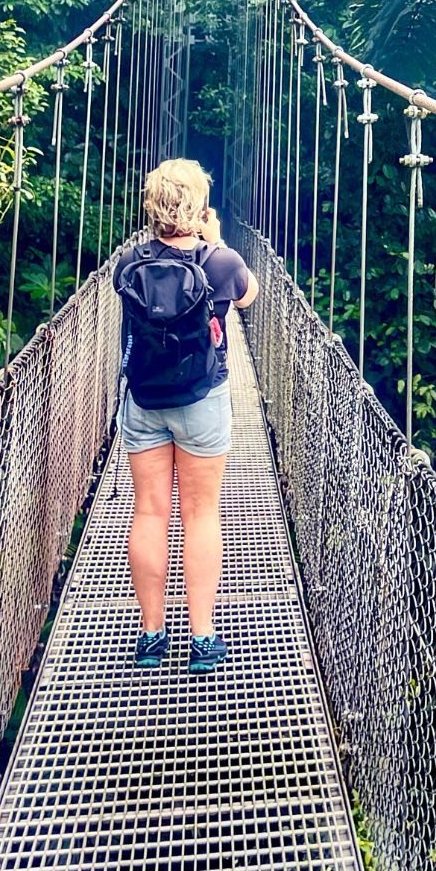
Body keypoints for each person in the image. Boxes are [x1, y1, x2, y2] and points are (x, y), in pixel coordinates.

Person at [113, 159, 258, 673]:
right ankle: (202, 639)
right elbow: (247, 296)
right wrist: (213, 240)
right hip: (201, 399)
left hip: (145, 400)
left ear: (152, 205)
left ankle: (151, 637)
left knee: (149, 511)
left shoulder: (130, 263)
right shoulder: (221, 261)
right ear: (199, 205)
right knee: (200, 515)